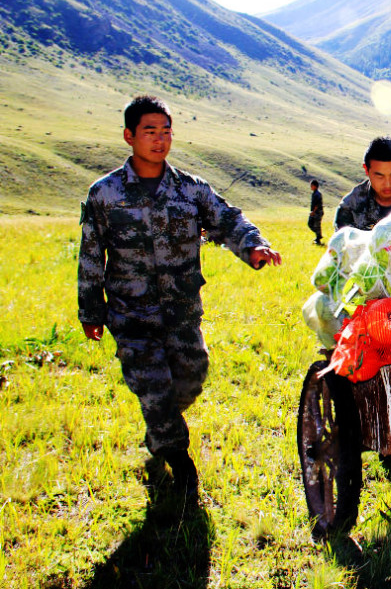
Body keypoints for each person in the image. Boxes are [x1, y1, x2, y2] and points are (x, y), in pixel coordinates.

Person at [77, 95, 282, 501]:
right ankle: (178, 459)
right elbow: (90, 254)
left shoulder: (190, 190)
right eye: (150, 132)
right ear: (129, 136)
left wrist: (253, 245)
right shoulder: (105, 194)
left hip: (182, 312)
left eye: (166, 131)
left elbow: (228, 219)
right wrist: (90, 310)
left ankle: (160, 427)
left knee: (190, 379)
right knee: (154, 388)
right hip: (131, 314)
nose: (159, 140)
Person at [308, 179, 324, 245]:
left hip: (317, 212)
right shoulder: (315, 193)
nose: (310, 187)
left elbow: (317, 204)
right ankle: (318, 236)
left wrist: (313, 212)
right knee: (311, 224)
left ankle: (318, 239)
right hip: (315, 212)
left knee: (316, 225)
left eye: (311, 185)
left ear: (315, 186)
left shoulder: (317, 194)